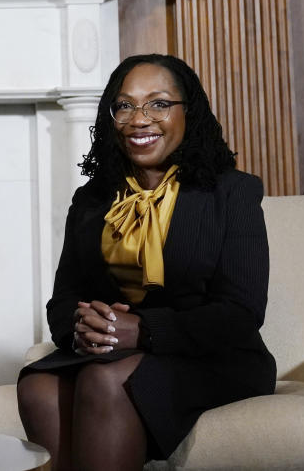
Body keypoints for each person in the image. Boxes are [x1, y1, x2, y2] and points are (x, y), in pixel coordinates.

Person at [16, 54, 275, 471]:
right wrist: (83, 329)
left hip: (215, 358)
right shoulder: (93, 199)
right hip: (116, 353)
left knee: (105, 380)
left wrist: (145, 331)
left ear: (187, 112)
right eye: (125, 105)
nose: (140, 119)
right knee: (38, 385)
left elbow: (242, 312)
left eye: (158, 103)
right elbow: (64, 300)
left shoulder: (232, 193)